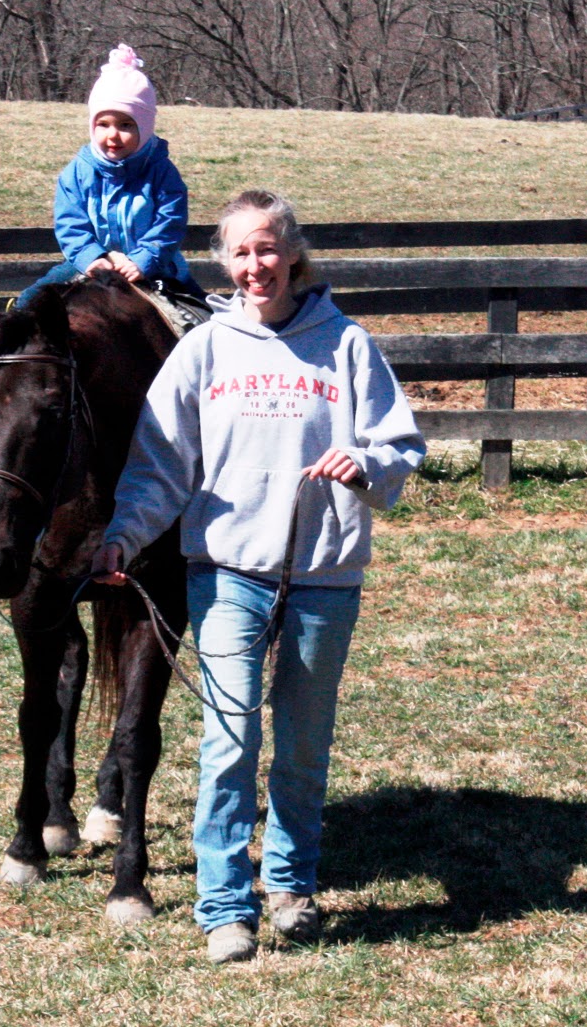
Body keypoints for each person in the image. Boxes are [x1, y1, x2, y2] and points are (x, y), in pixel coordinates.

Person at [90, 190, 425, 964]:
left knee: (304, 745)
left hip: (323, 574)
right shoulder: (206, 350)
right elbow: (160, 461)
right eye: (240, 253)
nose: (255, 266)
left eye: (267, 249)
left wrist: (365, 463)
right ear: (226, 262)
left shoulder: (345, 345)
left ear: (293, 253)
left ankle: (291, 883)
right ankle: (223, 906)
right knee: (229, 741)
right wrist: (122, 536)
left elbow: (400, 442)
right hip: (229, 570)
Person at [15, 44, 202, 312]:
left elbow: (170, 224)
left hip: (155, 264)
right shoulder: (77, 172)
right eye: (103, 124)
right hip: (90, 261)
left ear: (145, 126)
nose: (113, 135)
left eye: (126, 125)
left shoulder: (162, 172)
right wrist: (93, 257)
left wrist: (143, 259)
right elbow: (70, 224)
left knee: (202, 311)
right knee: (28, 301)